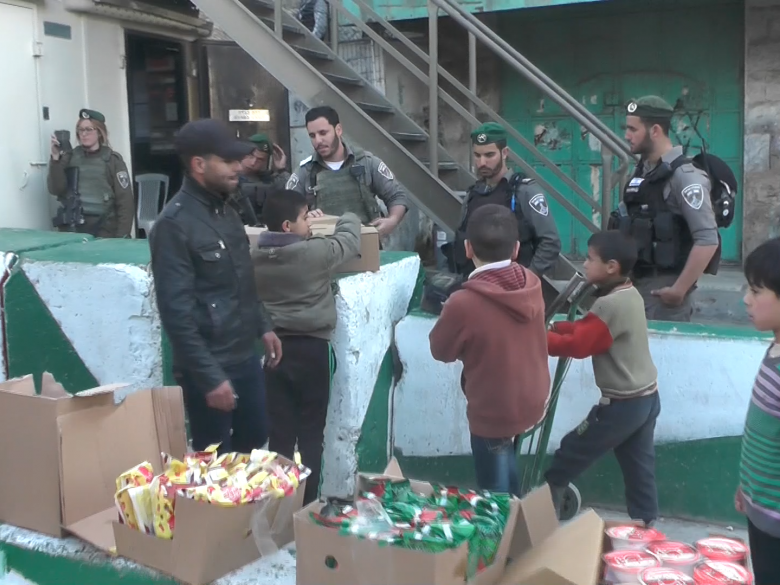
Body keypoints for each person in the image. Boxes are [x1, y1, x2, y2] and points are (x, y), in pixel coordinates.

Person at [149, 118, 282, 452]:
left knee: (255, 441)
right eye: (227, 161)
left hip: (243, 356)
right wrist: (209, 377)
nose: (238, 167)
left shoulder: (228, 210)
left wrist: (263, 326)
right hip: (207, 367)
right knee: (215, 464)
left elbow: (242, 280)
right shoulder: (173, 225)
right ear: (199, 165)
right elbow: (176, 313)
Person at [428, 204, 550, 494]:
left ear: (468, 248)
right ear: (517, 249)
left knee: (493, 495)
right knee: (508, 464)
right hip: (531, 397)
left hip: (493, 408)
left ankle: (504, 534)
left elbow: (440, 350)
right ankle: (516, 518)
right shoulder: (531, 282)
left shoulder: (463, 303)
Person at [251, 190, 361, 504]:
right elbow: (351, 237)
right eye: (304, 217)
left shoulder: (254, 259)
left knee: (280, 436)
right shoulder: (314, 253)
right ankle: (308, 503)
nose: (308, 222)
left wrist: (308, 223)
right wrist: (337, 218)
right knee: (312, 434)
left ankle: (280, 504)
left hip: (275, 353)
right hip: (312, 351)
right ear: (287, 225)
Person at [544, 230, 660, 527]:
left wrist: (537, 339)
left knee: (570, 452)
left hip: (621, 406)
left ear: (611, 266)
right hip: (646, 399)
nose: (584, 264)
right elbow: (587, 329)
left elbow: (580, 345)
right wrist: (560, 328)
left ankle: (544, 518)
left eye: (589, 259)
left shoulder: (610, 304)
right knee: (639, 470)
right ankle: (646, 525)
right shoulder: (628, 293)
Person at [618, 95, 720, 322]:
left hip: (663, 292)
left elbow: (707, 239)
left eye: (633, 129)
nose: (627, 135)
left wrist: (679, 290)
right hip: (637, 284)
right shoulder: (642, 171)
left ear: (655, 130)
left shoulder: (685, 177)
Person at [447, 122, 561, 278]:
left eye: (489, 155)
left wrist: (527, 277)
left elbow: (550, 242)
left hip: (512, 288)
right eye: (477, 155)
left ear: (505, 153)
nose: (482, 163)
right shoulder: (472, 194)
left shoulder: (524, 191)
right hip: (474, 285)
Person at [285, 106, 409, 237]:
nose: (318, 141)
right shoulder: (305, 172)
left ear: (338, 130)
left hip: (366, 245)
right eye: (312, 136)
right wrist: (304, 217)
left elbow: (397, 196)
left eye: (323, 133)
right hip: (323, 250)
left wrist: (392, 220)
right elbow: (285, 210)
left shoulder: (367, 163)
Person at [734, 237, 780, 585]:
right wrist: (746, 488)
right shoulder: (774, 349)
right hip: (760, 509)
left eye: (756, 291)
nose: (746, 300)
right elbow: (762, 435)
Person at [47, 109, 134, 238]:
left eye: (89, 129)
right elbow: (56, 189)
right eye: (81, 130)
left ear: (99, 132)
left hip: (104, 229)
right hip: (73, 229)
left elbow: (125, 202)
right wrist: (55, 159)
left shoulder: (112, 160)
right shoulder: (70, 156)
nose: (84, 134)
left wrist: (122, 237)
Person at [236, 134, 290, 225]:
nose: (253, 163)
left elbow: (291, 193)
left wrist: (281, 169)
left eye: (260, 160)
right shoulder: (229, 179)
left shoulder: (270, 181)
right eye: (250, 156)